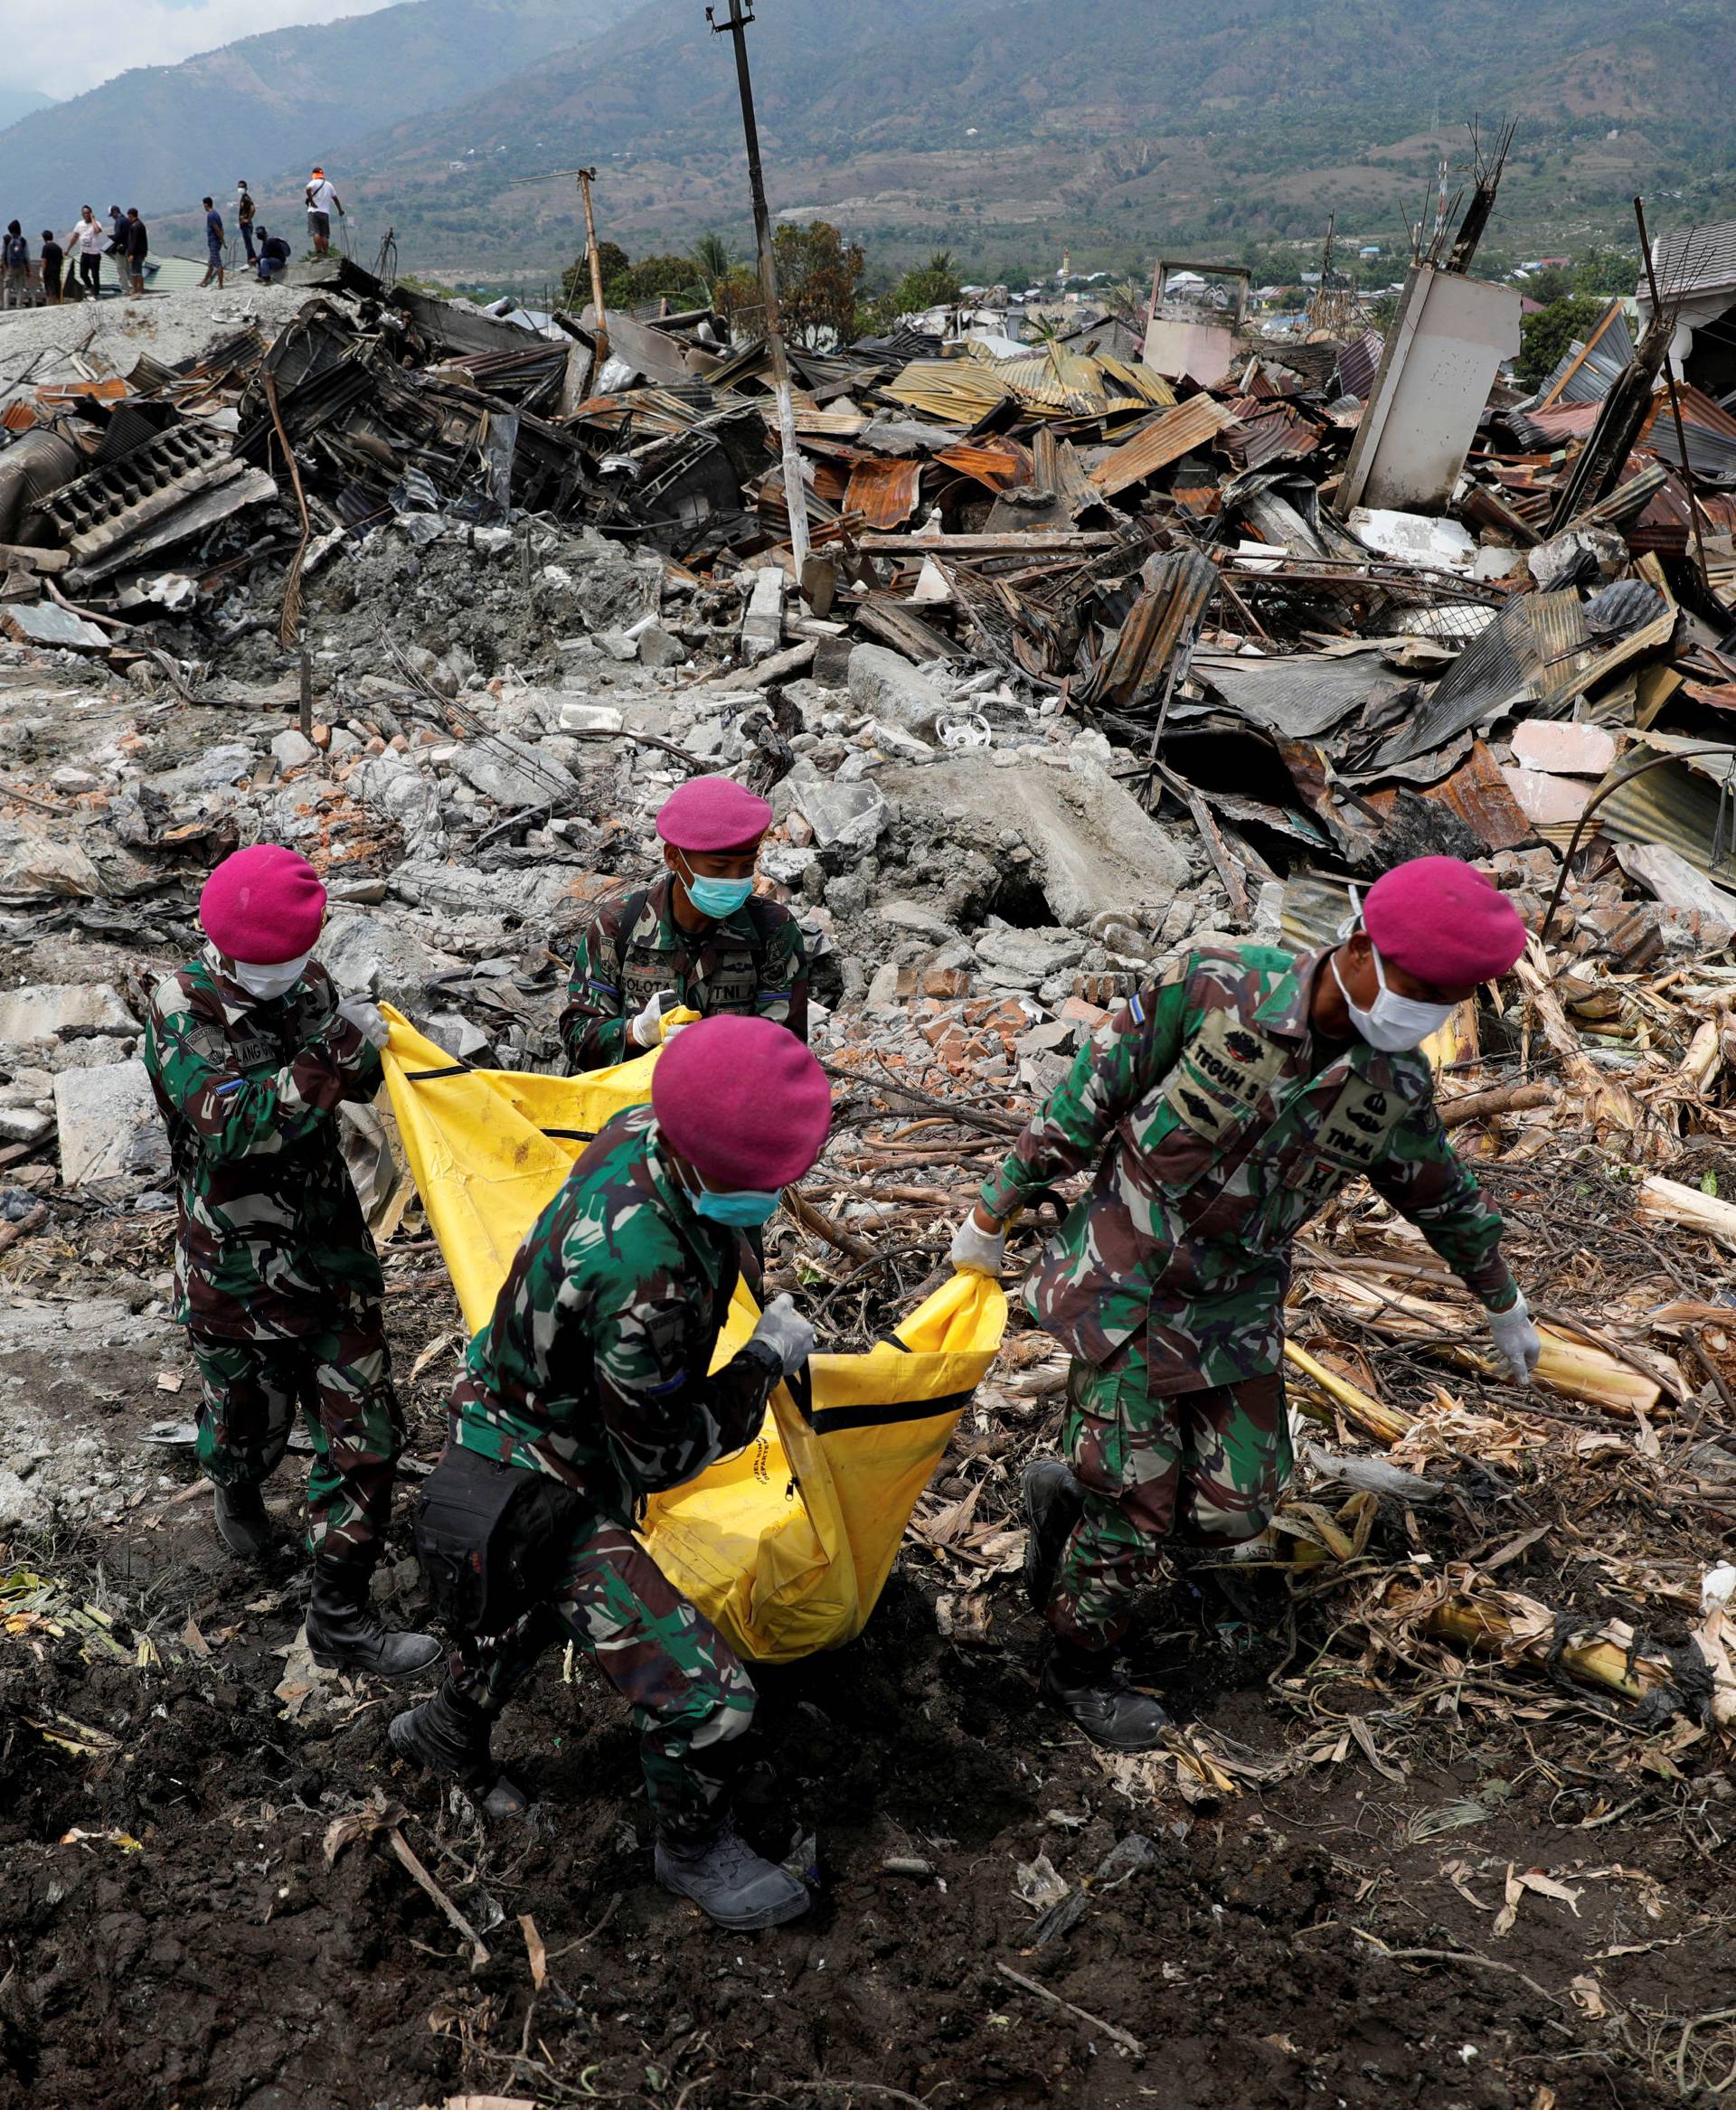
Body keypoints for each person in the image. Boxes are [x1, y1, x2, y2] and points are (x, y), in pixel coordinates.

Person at [951, 856, 1539, 1751]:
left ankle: (1069, 1499)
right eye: (1420, 990)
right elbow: (1086, 1099)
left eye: (1445, 1002)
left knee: (1239, 1507)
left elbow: (1440, 1194)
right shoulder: (1218, 991)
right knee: (1138, 1516)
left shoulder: (1394, 1086)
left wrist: (1502, 1301)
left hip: (1234, 1306)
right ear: (1358, 947)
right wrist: (994, 1208)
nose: (1425, 1016)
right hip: (1128, 1285)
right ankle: (1078, 1666)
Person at [391, 1015, 830, 1930]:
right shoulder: (646, 1277)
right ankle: (692, 1851)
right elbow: (661, 1455)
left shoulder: (641, 1133)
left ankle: (445, 1732)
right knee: (710, 1703)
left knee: (517, 1609)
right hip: (543, 1471)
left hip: (535, 1427)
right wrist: (761, 1365)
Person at [142, 845, 440, 1682]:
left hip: (330, 1259)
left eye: (296, 961)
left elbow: (355, 1079)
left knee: (366, 1440)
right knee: (248, 1431)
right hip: (233, 1275)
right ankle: (237, 1496)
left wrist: (390, 1052)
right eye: (269, 964)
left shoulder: (306, 988)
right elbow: (230, 1126)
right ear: (227, 949)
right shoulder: (180, 1012)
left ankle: (341, 1617)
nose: (287, 977)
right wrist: (329, 1055)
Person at [560, 776, 809, 1074]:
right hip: (631, 1105)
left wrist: (723, 1048)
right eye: (718, 868)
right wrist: (637, 1031)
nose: (734, 880)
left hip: (731, 1101)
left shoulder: (772, 932)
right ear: (673, 858)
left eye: (745, 867)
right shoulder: (618, 926)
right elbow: (577, 1039)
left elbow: (789, 1047)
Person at [68, 207, 107, 298]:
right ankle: (91, 288)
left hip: (95, 254)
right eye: (85, 213)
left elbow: (97, 231)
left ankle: (96, 293)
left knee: (95, 275)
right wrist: (68, 249)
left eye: (88, 213)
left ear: (91, 213)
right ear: (82, 214)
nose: (86, 215)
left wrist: (93, 220)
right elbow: (75, 237)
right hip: (85, 253)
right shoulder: (79, 224)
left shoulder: (97, 224)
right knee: (83, 274)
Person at [305, 165, 344, 256]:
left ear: (314, 175)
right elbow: (335, 198)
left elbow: (307, 189)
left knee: (316, 232)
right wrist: (340, 210)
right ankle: (325, 253)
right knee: (324, 235)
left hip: (313, 212)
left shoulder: (313, 182)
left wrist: (311, 201)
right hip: (325, 213)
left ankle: (319, 252)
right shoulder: (329, 185)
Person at [1, 223, 29, 309]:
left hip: (9, 266)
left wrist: (1, 265)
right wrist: (28, 269)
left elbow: (2, 253)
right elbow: (27, 256)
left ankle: (6, 306)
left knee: (7, 286)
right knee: (20, 286)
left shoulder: (6, 239)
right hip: (21, 266)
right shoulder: (23, 240)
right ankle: (19, 305)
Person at [199, 196, 224, 288]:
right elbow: (221, 228)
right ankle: (204, 282)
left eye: (203, 205)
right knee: (211, 263)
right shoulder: (216, 213)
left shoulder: (211, 215)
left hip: (214, 241)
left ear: (206, 204)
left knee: (217, 263)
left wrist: (221, 239)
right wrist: (222, 240)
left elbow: (216, 228)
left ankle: (220, 284)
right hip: (216, 240)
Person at [124, 208, 148, 296]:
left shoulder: (135, 226)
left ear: (131, 215)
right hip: (141, 252)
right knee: (137, 271)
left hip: (137, 253)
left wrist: (131, 254)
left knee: (136, 273)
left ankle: (137, 289)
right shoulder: (140, 224)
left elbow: (134, 241)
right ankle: (139, 289)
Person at [38, 230, 62, 306]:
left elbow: (44, 261)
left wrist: (42, 272)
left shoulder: (46, 247)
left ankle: (51, 305)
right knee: (57, 288)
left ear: (44, 238)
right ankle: (58, 303)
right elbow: (61, 260)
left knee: (50, 290)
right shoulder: (58, 248)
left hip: (49, 272)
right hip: (57, 271)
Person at [106, 203, 127, 291]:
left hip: (121, 248)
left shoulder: (118, 221)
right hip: (127, 247)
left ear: (115, 212)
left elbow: (118, 236)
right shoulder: (125, 219)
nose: (112, 217)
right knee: (128, 269)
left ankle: (126, 289)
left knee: (121, 269)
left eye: (112, 215)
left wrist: (111, 237)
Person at [235, 179, 257, 265]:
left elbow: (253, 209)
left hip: (246, 224)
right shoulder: (243, 198)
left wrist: (248, 219)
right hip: (243, 224)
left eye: (242, 187)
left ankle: (251, 261)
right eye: (239, 187)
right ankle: (251, 260)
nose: (240, 188)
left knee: (248, 245)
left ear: (245, 188)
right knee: (247, 244)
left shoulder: (246, 198)